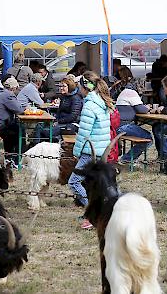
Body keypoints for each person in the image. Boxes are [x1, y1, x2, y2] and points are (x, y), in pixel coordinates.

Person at [67, 71, 113, 230]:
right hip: (101, 149)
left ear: (84, 86)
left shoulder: (89, 105)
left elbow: (84, 133)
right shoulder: (102, 101)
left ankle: (94, 212)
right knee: (94, 184)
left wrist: (76, 151)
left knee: (74, 181)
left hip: (90, 150)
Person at [115, 82, 152, 164]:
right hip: (124, 126)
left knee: (143, 135)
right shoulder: (131, 92)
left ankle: (127, 158)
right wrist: (148, 107)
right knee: (148, 138)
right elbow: (142, 110)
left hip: (118, 125)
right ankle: (126, 159)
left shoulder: (123, 92)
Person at [0, 76, 24, 165]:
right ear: (13, 88)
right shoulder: (8, 95)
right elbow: (19, 110)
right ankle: (15, 159)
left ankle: (9, 157)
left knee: (13, 129)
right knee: (19, 131)